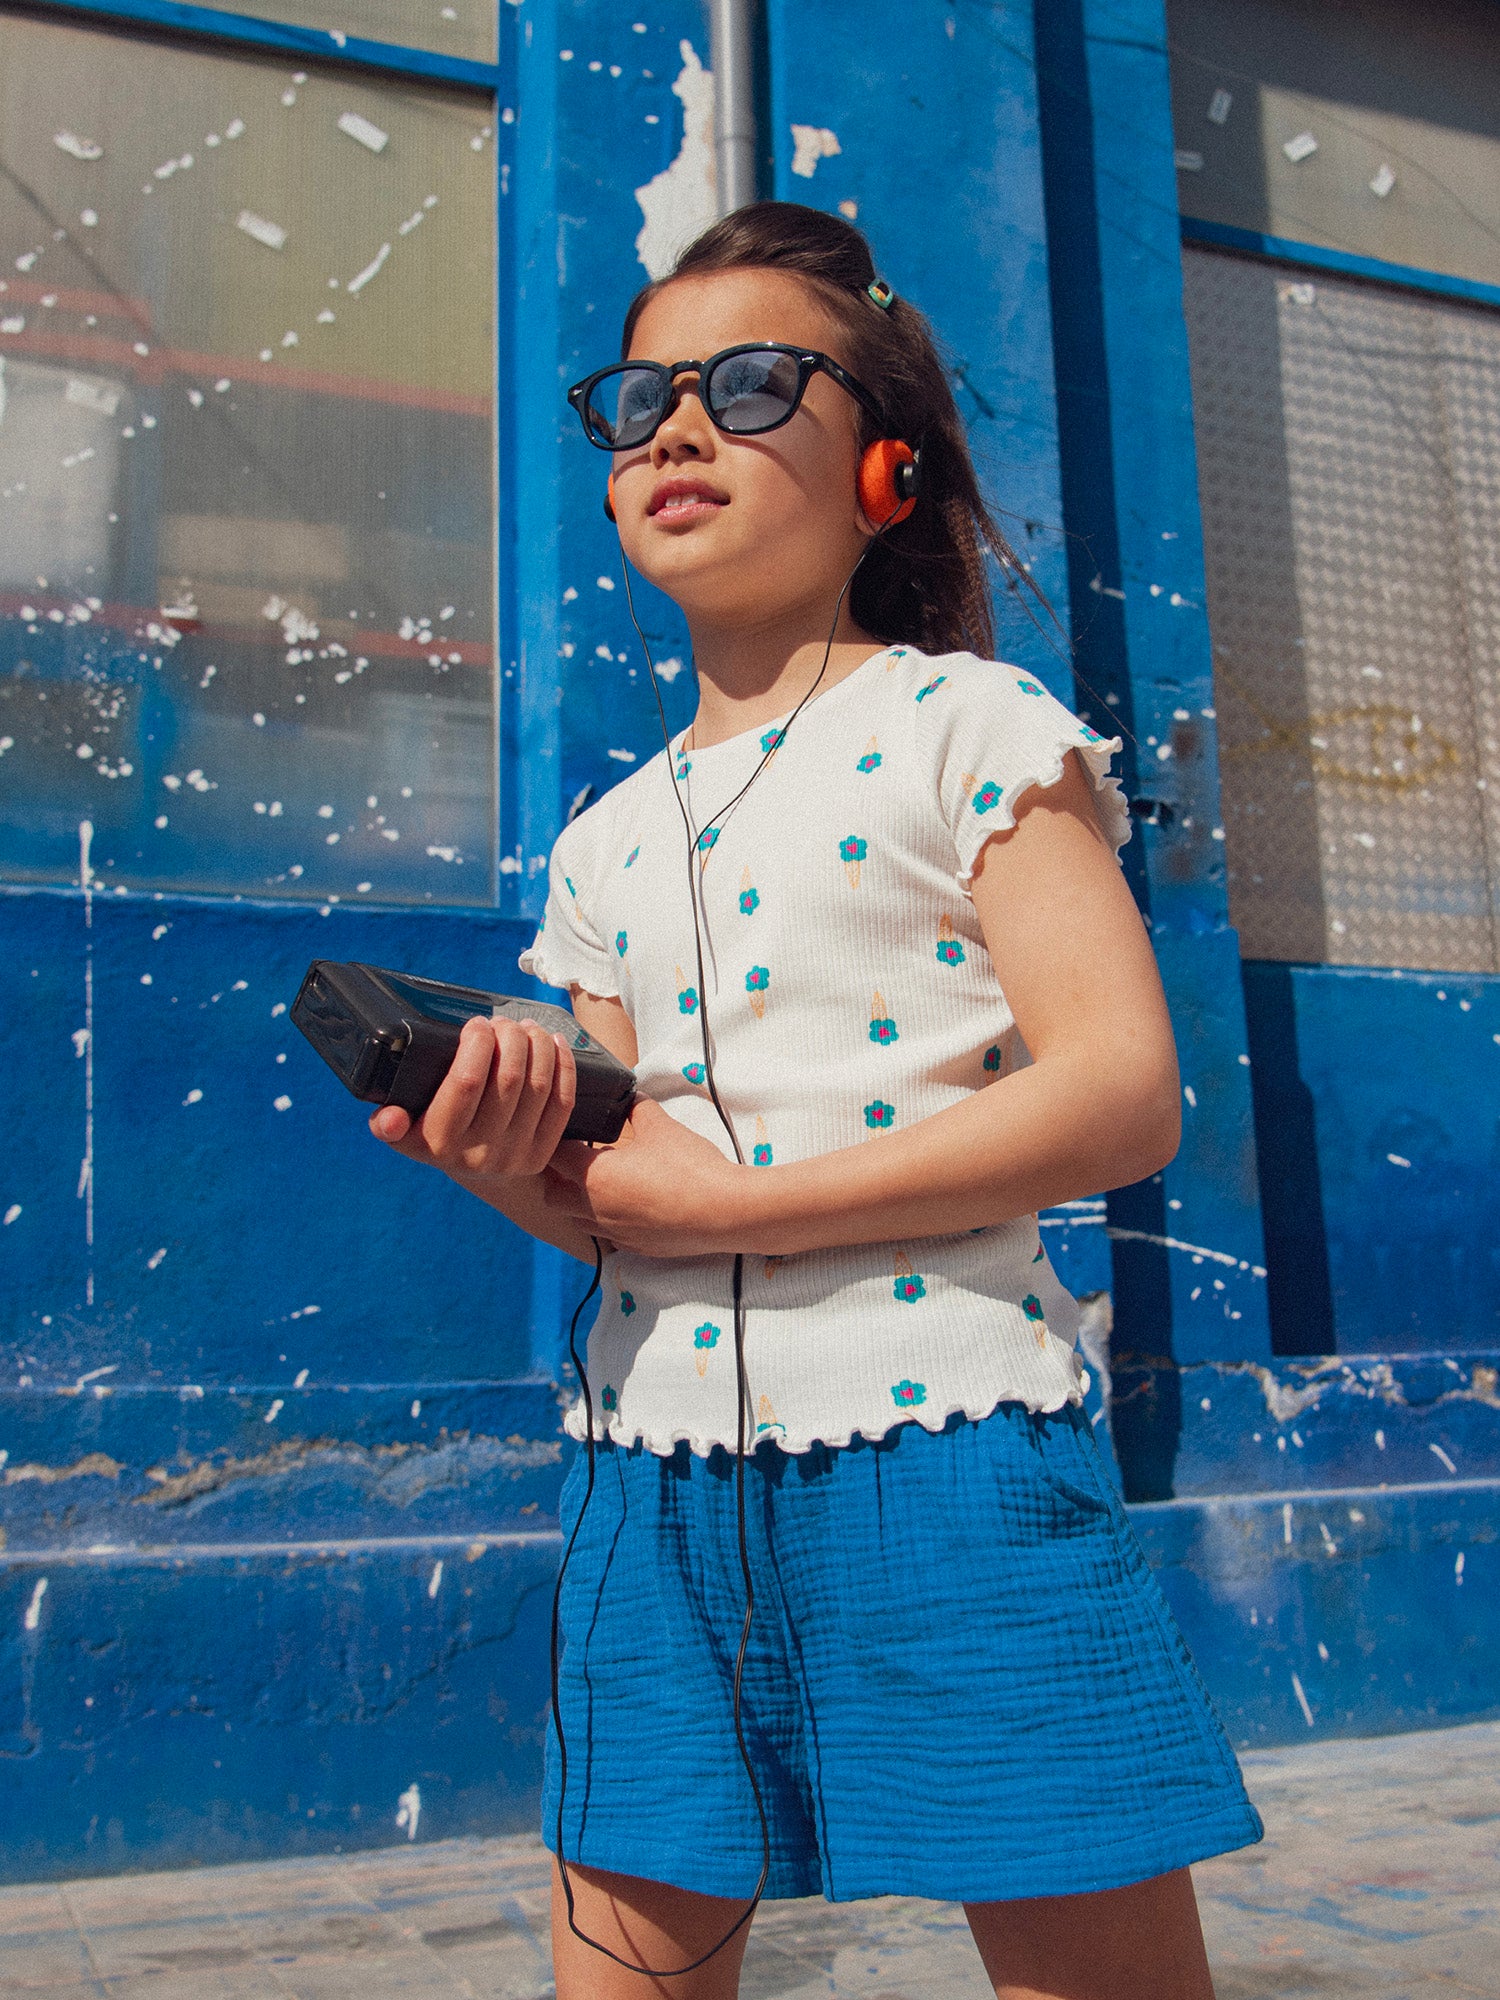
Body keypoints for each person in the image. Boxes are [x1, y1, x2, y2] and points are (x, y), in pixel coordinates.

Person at [371, 202, 1261, 2000]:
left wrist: (746, 1211)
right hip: (652, 1477)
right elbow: (632, 1181)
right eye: (640, 401)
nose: (678, 427)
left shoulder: (976, 729)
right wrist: (499, 1161)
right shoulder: (605, 839)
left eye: (752, 382)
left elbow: (1121, 1096)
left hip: (950, 1450)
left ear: (883, 470)